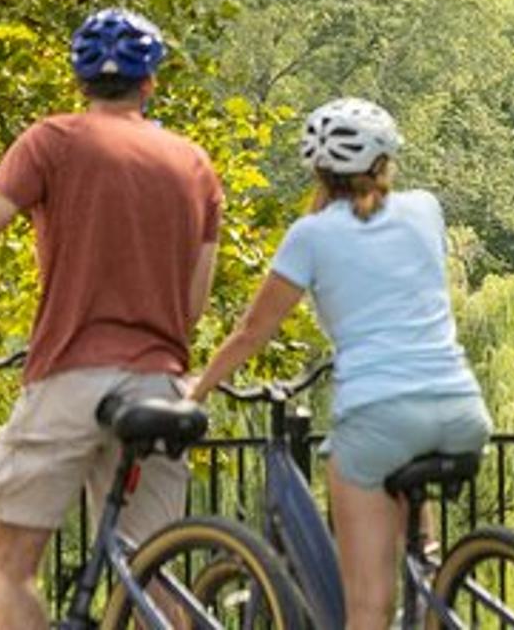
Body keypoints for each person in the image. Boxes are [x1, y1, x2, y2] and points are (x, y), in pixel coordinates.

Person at [0, 8, 222, 630]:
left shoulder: (51, 141)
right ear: (150, 83)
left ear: (78, 83)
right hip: (160, 382)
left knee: (8, 561)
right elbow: (194, 301)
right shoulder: (193, 165)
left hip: (70, 376)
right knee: (157, 578)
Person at [190, 98, 490, 630]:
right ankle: (431, 569)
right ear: (386, 160)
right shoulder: (425, 208)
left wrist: (197, 389)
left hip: (377, 417)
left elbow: (252, 333)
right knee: (409, 475)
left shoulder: (310, 235)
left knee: (368, 606)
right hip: (462, 409)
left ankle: (409, 592)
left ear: (318, 170)